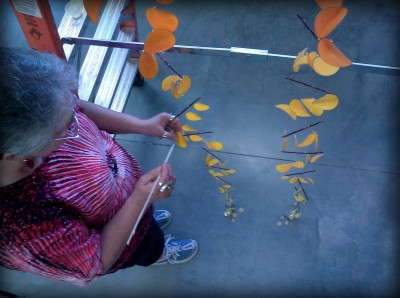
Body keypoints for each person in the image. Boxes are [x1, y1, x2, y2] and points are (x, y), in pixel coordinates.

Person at [0, 47, 198, 286]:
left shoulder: (40, 110)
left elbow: (77, 108)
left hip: (128, 197)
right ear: (15, 153)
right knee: (147, 246)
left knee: (149, 224)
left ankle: (148, 219)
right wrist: (138, 201)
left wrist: (143, 125)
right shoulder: (19, 228)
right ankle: (159, 253)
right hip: (123, 241)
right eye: (65, 128)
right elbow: (98, 260)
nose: (77, 121)